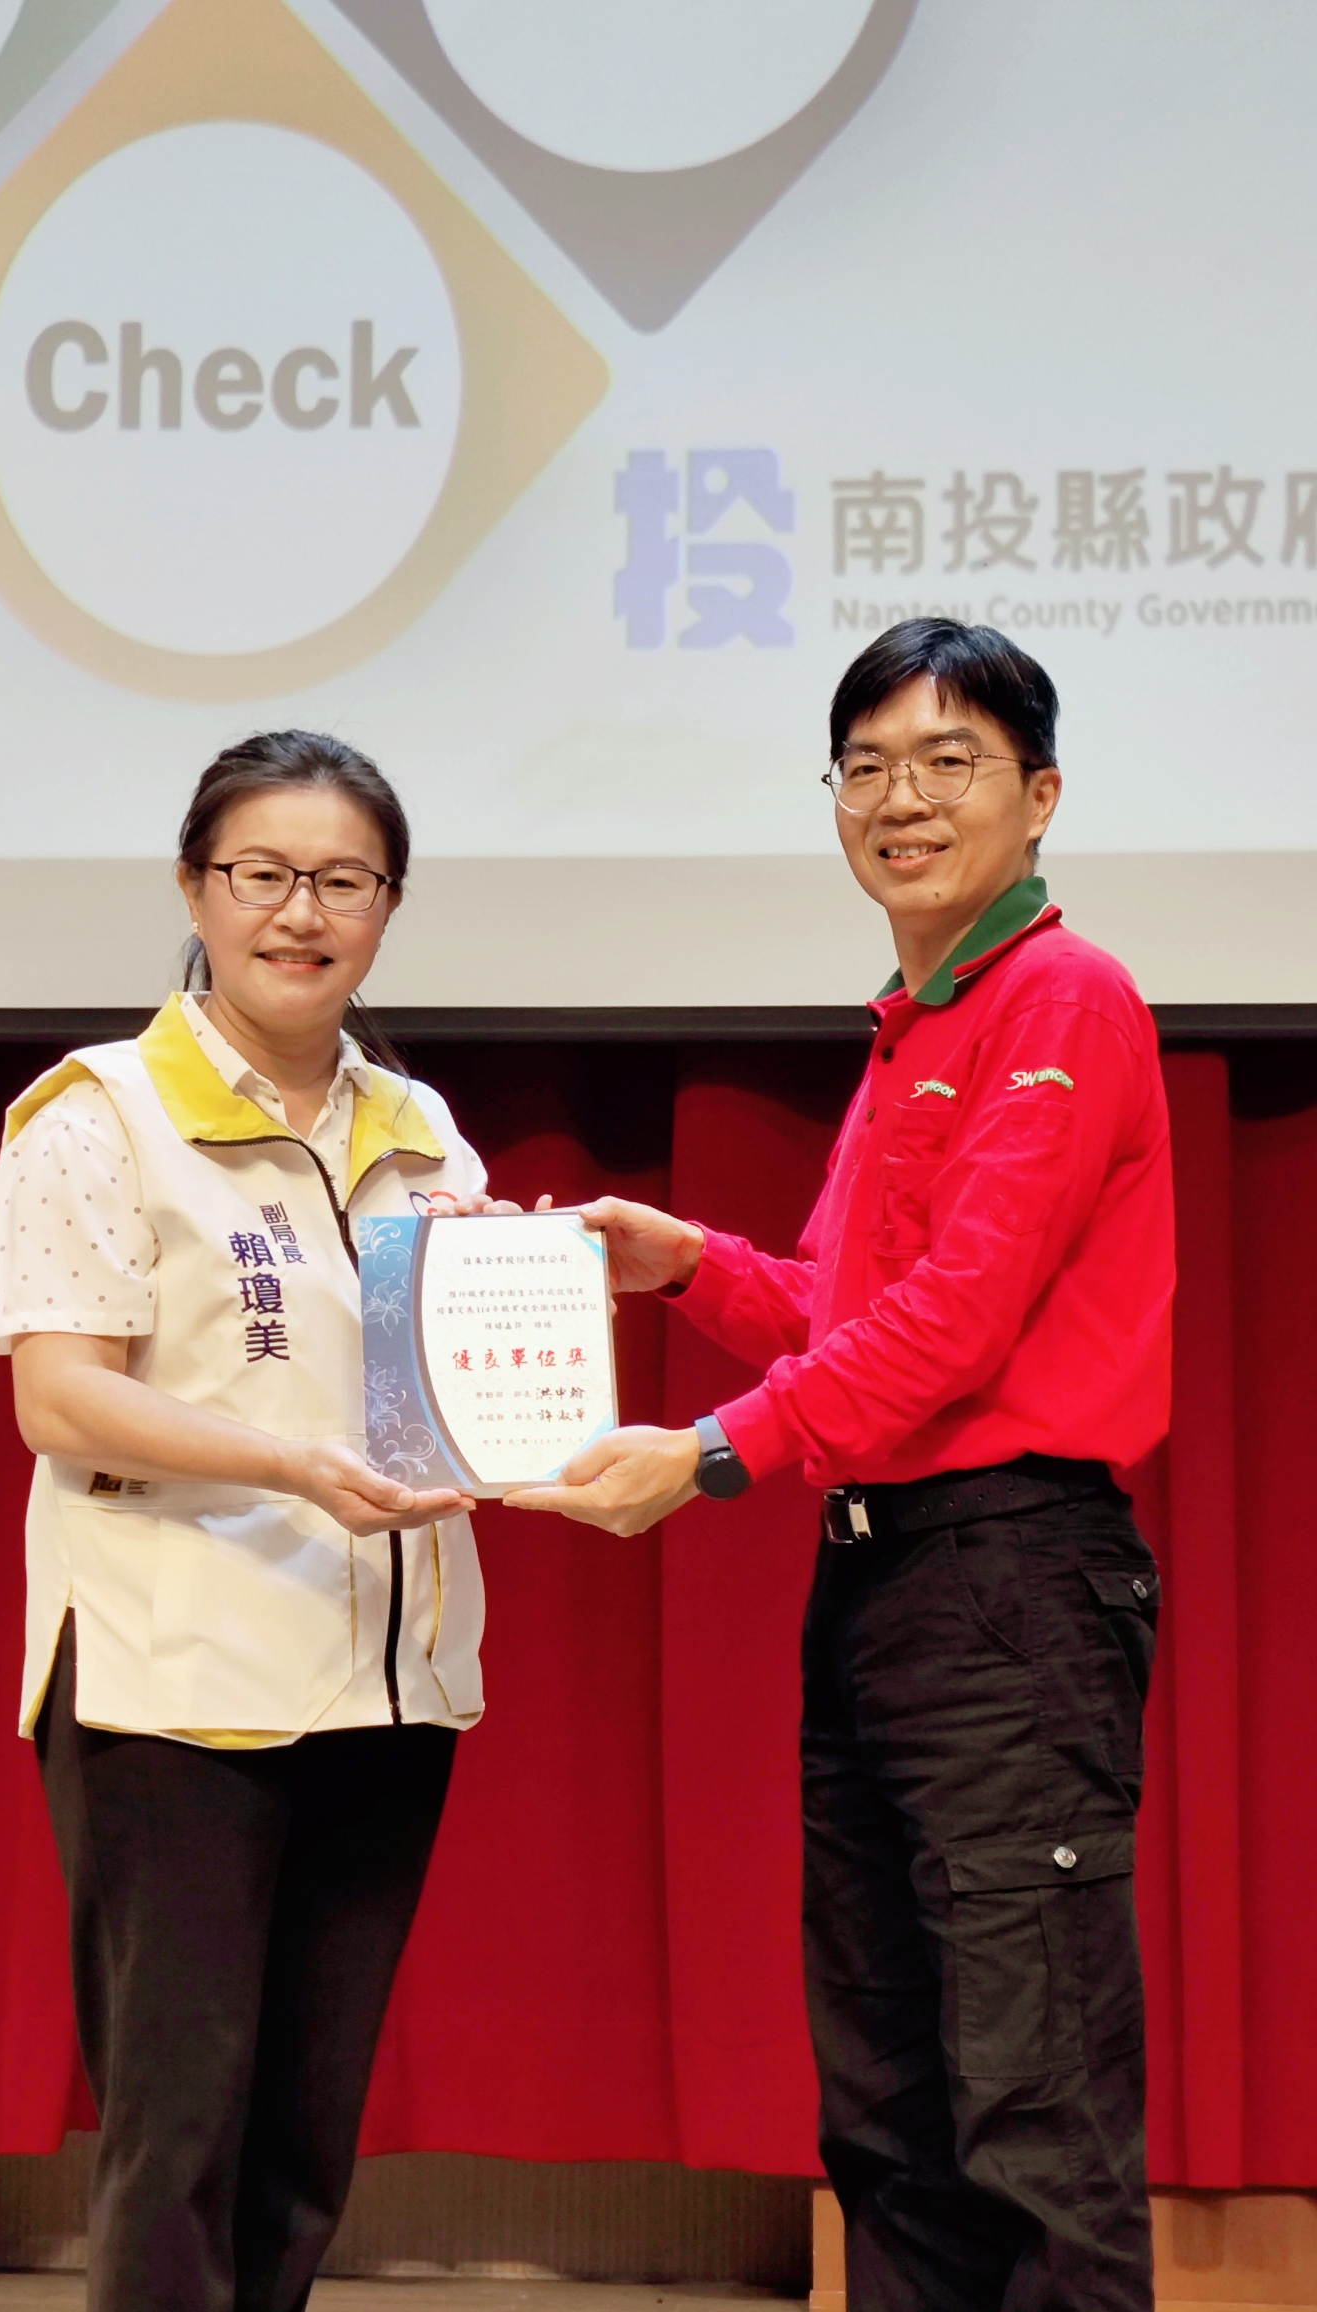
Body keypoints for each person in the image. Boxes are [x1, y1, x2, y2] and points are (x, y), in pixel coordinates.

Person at [505, 622, 1175, 2310]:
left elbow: (957, 1321)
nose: (902, 800)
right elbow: (849, 1312)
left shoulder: (1062, 998)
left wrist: (710, 1456)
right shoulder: (918, 1020)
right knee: (890, 2112)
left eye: (950, 763)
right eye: (866, 766)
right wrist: (685, 1264)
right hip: (887, 1580)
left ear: (1040, 795)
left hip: (1009, 1581)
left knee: (1033, 2109)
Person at [0, 731, 488, 2312]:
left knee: (304, 2140)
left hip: (386, 1678)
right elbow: (61, 1395)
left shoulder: (420, 1127)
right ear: (196, 887)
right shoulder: (100, 1116)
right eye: (263, 874)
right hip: (172, 1681)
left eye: (344, 880)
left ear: (389, 906)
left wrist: (526, 1371)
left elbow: (450, 1384)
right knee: (180, 2124)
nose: (300, 912)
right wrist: (289, 1463)